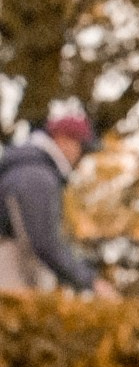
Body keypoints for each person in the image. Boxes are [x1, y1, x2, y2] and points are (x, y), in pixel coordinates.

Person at [0, 104, 99, 293]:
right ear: (62, 139)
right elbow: (44, 242)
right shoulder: (36, 176)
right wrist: (89, 280)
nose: (80, 156)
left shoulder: (26, 167)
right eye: (81, 147)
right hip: (11, 278)